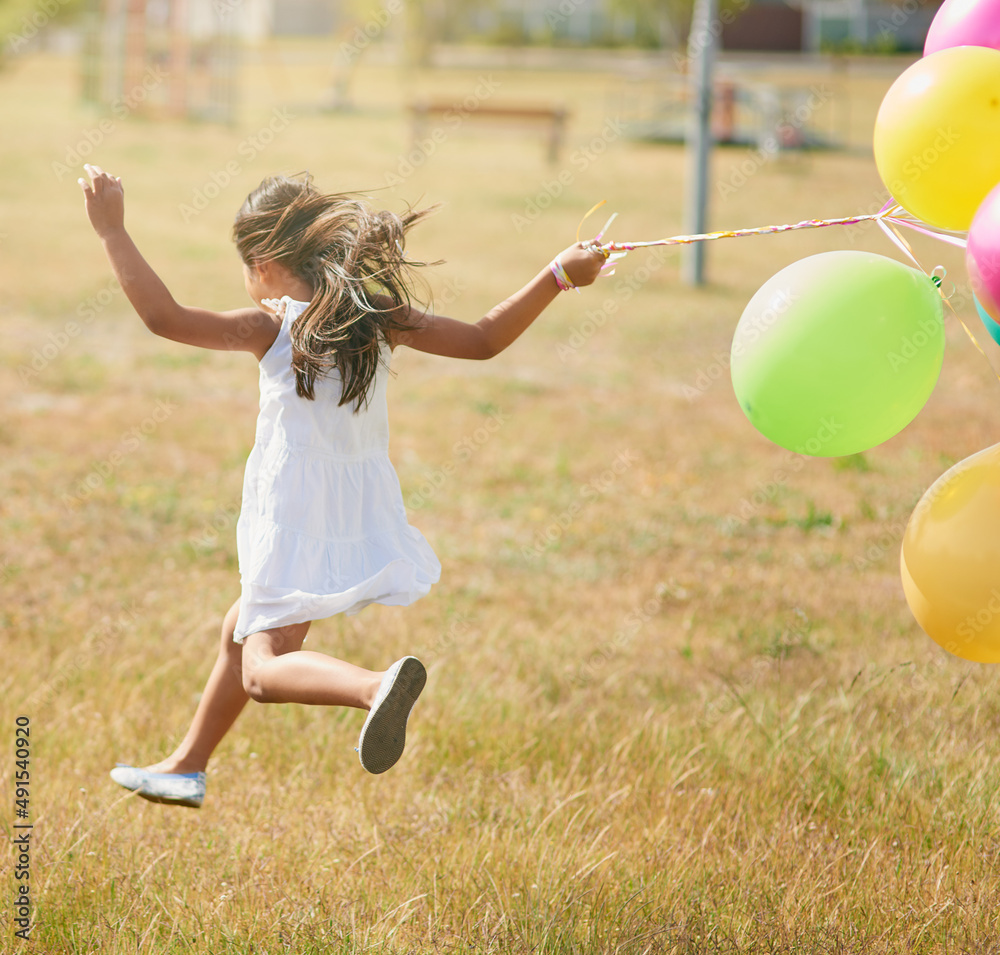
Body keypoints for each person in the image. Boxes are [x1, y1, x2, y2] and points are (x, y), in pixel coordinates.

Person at [79, 163, 610, 808]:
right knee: (239, 628)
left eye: (246, 267)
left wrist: (112, 230)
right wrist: (557, 274)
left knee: (263, 671)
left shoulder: (270, 327)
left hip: (292, 509)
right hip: (354, 507)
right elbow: (482, 340)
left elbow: (164, 317)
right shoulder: (374, 317)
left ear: (268, 263)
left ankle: (373, 687)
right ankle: (187, 765)